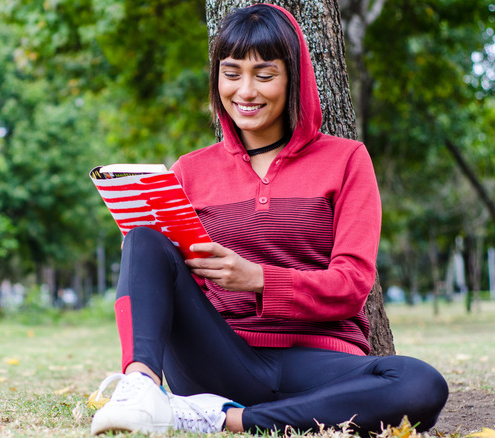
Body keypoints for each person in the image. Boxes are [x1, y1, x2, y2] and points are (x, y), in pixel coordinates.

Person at [90, 3, 448, 435]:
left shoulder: (347, 160)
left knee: (419, 383)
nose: (245, 91)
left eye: (264, 75)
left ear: (292, 78)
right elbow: (173, 284)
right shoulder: (189, 170)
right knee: (143, 239)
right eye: (231, 72)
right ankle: (141, 389)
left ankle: (222, 419)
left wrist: (258, 278)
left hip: (319, 365)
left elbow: (352, 286)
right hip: (221, 357)